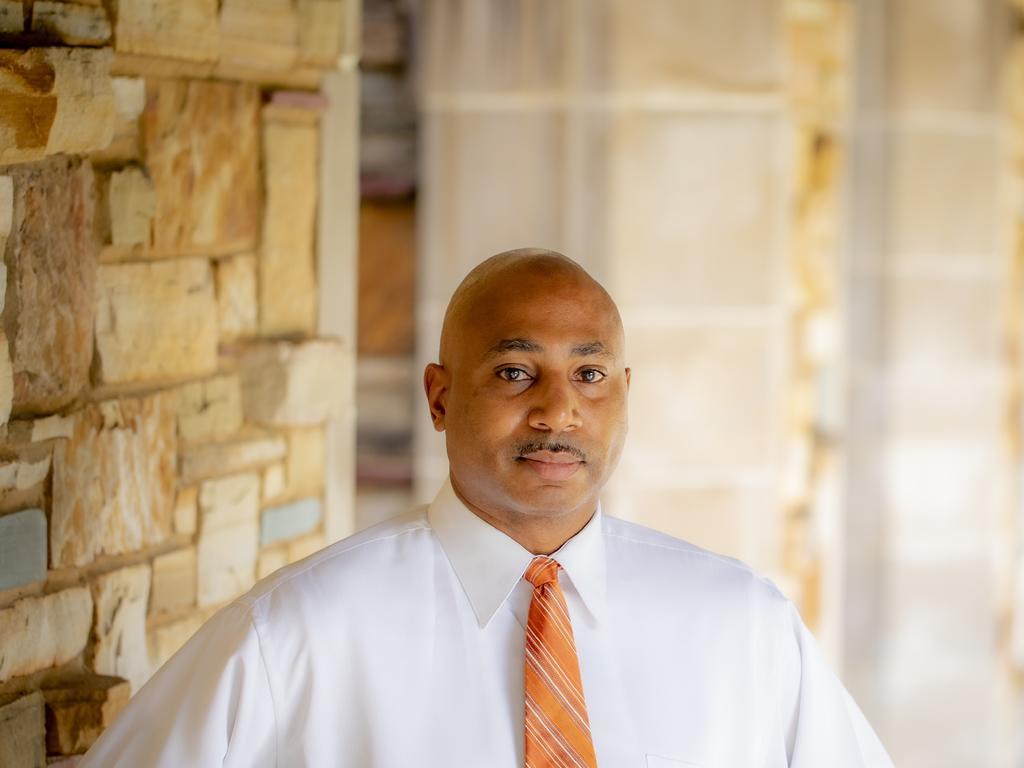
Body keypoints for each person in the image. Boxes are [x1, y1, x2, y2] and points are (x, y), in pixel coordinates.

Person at [81, 249, 893, 766]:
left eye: (589, 374)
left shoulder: (742, 627)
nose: (557, 412)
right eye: (514, 373)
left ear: (623, 395)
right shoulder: (295, 636)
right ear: (439, 397)